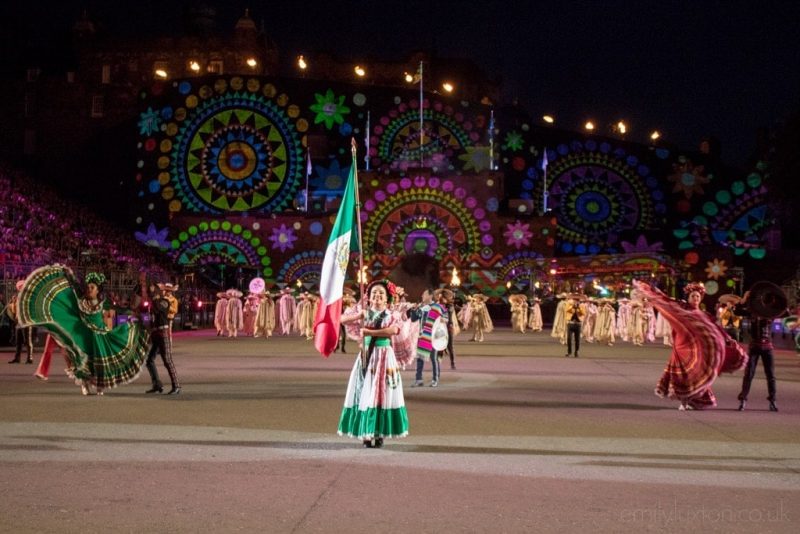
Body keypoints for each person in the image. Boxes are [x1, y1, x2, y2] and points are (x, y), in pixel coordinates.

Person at [16, 265, 149, 396]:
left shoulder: (104, 303)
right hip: (84, 336)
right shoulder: (80, 301)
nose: (89, 289)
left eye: (92, 287)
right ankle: (85, 385)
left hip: (100, 337)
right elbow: (69, 300)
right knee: (82, 362)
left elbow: (115, 315)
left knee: (100, 364)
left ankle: (99, 384)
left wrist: (130, 318)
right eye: (88, 287)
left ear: (98, 290)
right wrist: (67, 276)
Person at [633, 280, 747, 410]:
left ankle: (693, 400)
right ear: (688, 297)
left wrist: (728, 338)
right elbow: (666, 301)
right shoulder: (681, 307)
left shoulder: (704, 315)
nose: (695, 298)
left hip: (696, 350)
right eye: (693, 296)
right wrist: (654, 293)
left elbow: (716, 328)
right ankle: (684, 401)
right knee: (682, 375)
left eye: (698, 296)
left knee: (696, 373)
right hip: (682, 347)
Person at [338, 279, 411, 448]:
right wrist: (358, 316)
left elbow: (393, 330)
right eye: (374, 293)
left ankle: (379, 434)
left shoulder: (392, 315)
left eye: (381, 293)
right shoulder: (364, 312)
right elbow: (341, 319)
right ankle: (366, 433)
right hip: (366, 357)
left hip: (384, 356)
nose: (377, 296)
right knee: (365, 391)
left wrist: (369, 331)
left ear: (387, 299)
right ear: (369, 297)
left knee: (383, 393)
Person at [734, 292, 778, 412]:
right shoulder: (752, 312)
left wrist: (780, 301)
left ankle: (773, 400)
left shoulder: (771, 313)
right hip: (754, 347)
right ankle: (743, 400)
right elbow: (737, 311)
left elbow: (786, 312)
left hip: (768, 347)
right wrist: (743, 300)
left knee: (771, 375)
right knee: (749, 374)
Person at [144, 284, 181, 395]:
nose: (151, 295)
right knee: (149, 360)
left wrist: (154, 299)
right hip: (156, 333)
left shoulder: (165, 302)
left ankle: (176, 385)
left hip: (163, 332)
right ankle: (157, 384)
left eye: (153, 292)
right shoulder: (155, 302)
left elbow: (159, 309)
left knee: (167, 360)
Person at [408, 288, 445, 387]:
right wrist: (414, 310)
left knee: (433, 358)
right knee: (420, 358)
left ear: (430, 295)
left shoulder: (437, 307)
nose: (422, 296)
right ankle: (419, 379)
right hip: (423, 336)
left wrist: (442, 319)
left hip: (433, 337)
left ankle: (435, 379)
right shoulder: (421, 307)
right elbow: (413, 319)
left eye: (424, 294)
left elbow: (446, 318)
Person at [7, 280, 35, 364]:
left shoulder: (29, 296)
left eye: (22, 286)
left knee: (27, 340)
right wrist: (12, 303)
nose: (20, 288)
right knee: (18, 341)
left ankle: (29, 358)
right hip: (18, 321)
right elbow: (13, 309)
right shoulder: (16, 297)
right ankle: (17, 358)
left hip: (26, 320)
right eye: (19, 287)